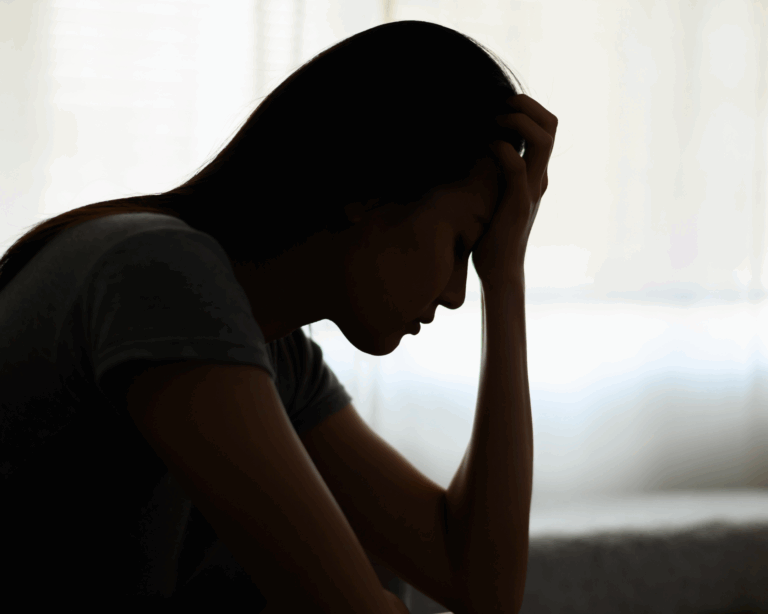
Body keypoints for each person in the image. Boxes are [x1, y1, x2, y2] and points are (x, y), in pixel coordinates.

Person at [0, 20, 556, 613]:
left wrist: (506, 278)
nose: (454, 295)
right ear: (365, 188)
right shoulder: (158, 274)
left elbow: (481, 587)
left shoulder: (272, 349)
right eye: (461, 246)